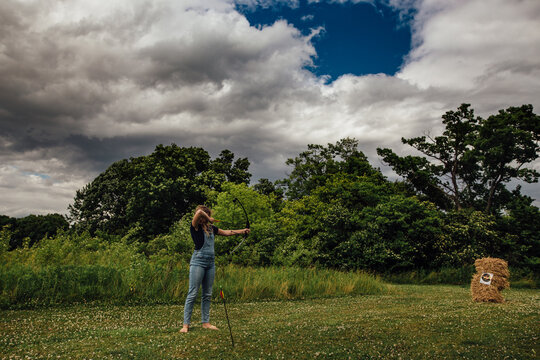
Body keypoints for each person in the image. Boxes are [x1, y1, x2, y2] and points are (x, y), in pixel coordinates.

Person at [180, 205, 250, 333]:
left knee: (207, 294)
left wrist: (243, 231)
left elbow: (227, 232)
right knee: (193, 293)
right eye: (202, 217)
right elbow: (200, 212)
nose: (202, 218)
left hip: (210, 263)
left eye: (204, 217)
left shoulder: (212, 228)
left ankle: (205, 323)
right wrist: (208, 217)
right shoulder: (194, 226)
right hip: (198, 262)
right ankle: (186, 325)